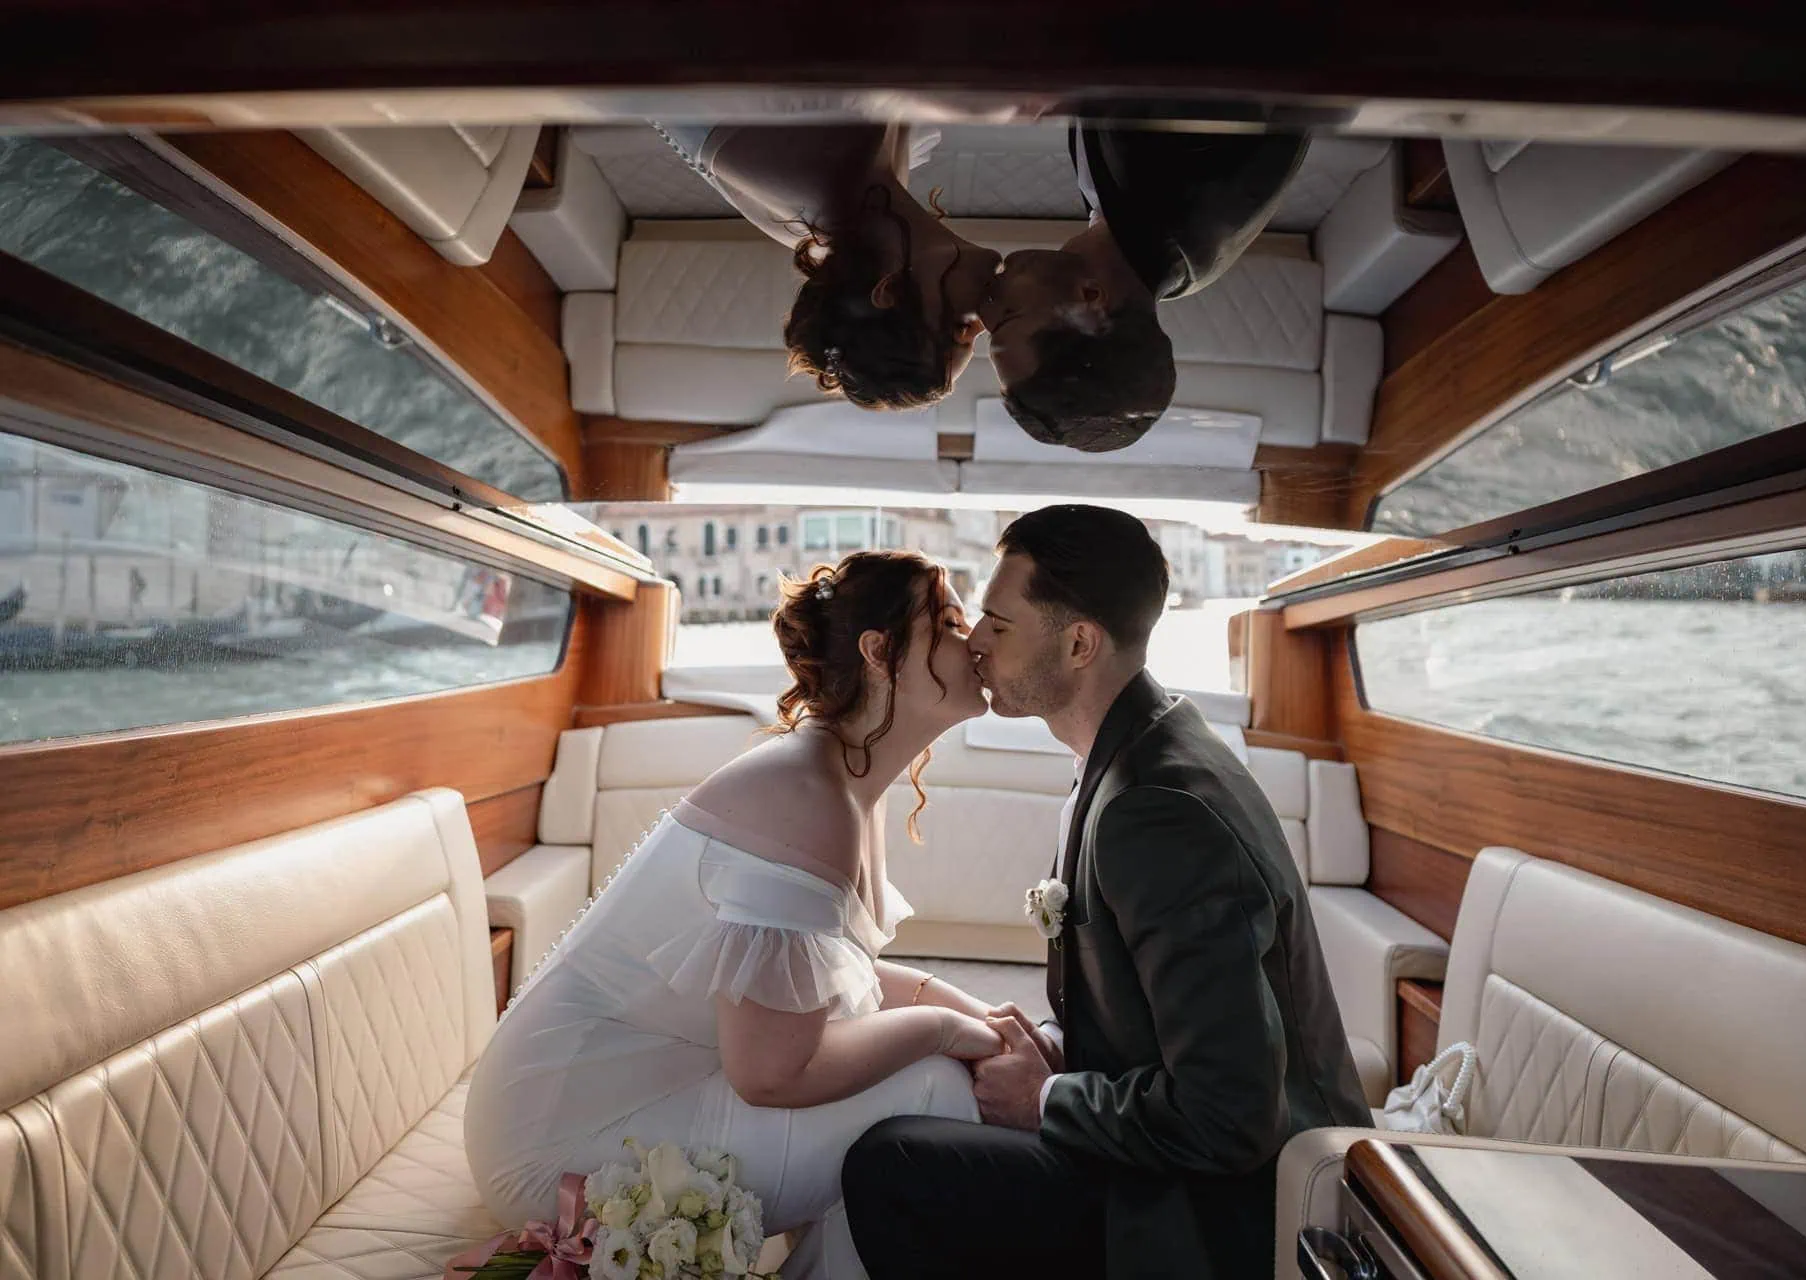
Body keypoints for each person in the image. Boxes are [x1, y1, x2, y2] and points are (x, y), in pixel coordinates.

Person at [841, 505, 1370, 1280]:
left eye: (997, 622)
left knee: (893, 1166)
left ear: (1080, 642)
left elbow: (1230, 1116)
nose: (974, 643)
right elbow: (1145, 1019)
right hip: (1178, 1161)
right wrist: (1050, 1044)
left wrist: (1048, 1097)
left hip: (1230, 1215)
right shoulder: (1132, 750)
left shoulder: (1158, 810)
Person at [464, 551, 1009, 1279]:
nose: (973, 638)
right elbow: (771, 1076)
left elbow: (820, 982)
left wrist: (992, 1020)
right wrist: (949, 1030)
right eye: (947, 620)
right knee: (934, 1087)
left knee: (927, 1069)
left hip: (612, 1100)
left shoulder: (838, 781)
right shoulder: (804, 795)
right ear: (881, 654)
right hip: (562, 1144)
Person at [978, 105, 1312, 452]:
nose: (984, 309)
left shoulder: (1153, 250)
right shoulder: (1172, 181)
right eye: (1006, 318)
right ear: (1090, 297)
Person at [653, 121, 1002, 409]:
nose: (985, 323)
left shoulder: (792, 165)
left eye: (960, 329)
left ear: (890, 289)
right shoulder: (871, 203)